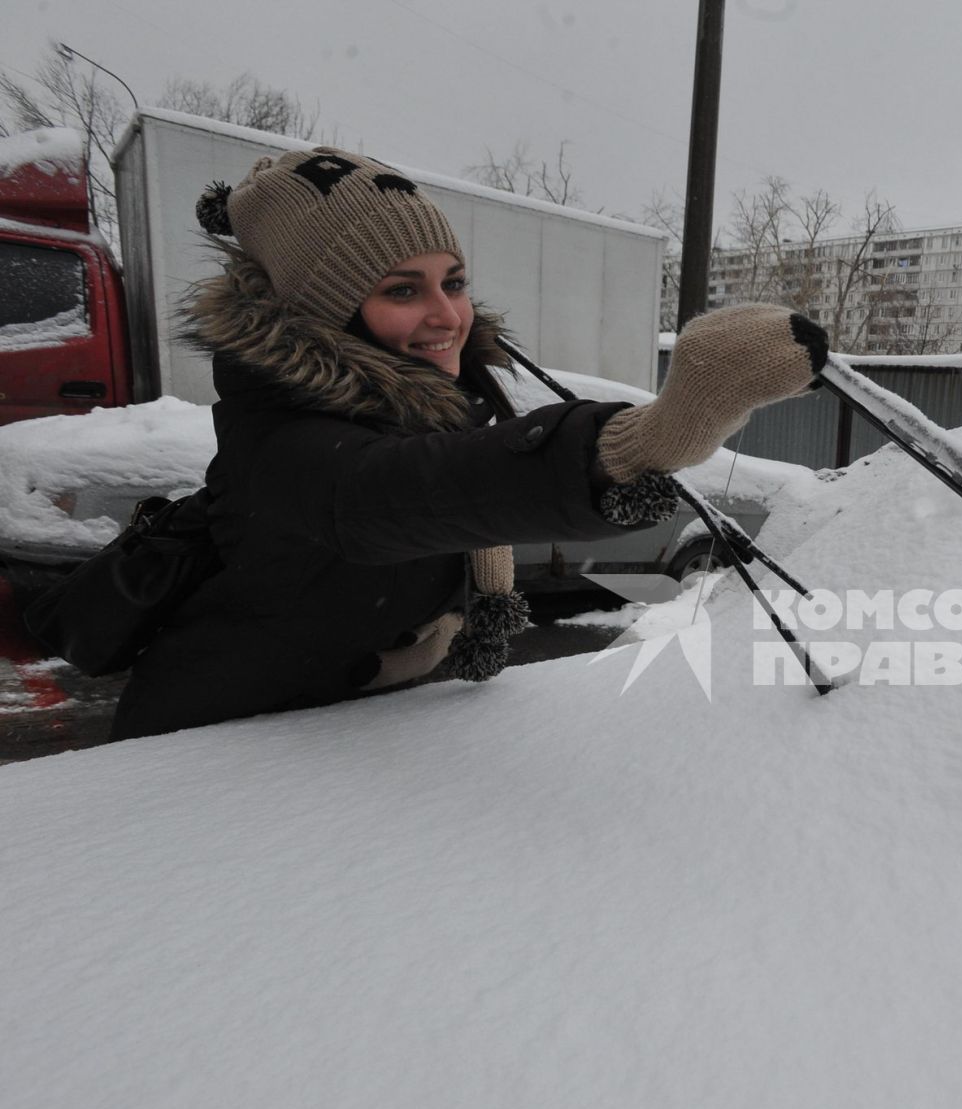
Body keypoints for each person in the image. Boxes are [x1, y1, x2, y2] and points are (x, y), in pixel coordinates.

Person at [109, 146, 826, 740]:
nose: (448, 315)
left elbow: (454, 484)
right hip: (212, 750)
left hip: (366, 737)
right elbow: (402, 495)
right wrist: (652, 435)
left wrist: (455, 625)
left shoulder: (438, 410)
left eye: (453, 282)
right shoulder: (278, 439)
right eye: (402, 290)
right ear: (322, 309)